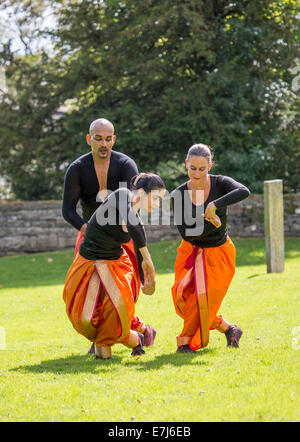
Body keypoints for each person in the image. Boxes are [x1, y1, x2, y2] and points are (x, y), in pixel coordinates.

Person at [62, 118, 156, 347]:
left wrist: (145, 263)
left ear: (113, 139)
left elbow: (132, 207)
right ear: (89, 139)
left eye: (108, 139)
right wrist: (89, 230)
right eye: (98, 138)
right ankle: (137, 331)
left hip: (122, 236)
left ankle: (114, 335)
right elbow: (67, 209)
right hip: (90, 237)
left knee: (124, 292)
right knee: (88, 293)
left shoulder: (125, 164)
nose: (103, 143)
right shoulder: (77, 169)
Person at [63, 173, 166, 359]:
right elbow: (134, 227)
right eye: (156, 199)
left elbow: (137, 237)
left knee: (116, 313)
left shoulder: (136, 214)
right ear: (142, 192)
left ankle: (106, 352)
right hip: (89, 263)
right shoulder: (121, 194)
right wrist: (148, 258)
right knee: (85, 318)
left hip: (116, 265)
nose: (157, 204)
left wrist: (145, 279)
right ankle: (134, 339)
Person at [171, 143, 250, 353]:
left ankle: (185, 343)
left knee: (203, 300)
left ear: (210, 166)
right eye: (192, 168)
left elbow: (244, 191)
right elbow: (186, 233)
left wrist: (214, 205)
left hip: (219, 253)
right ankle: (230, 329)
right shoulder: (178, 195)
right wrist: (211, 223)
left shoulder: (221, 183)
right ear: (186, 164)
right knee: (187, 299)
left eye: (202, 169)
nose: (197, 173)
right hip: (190, 251)